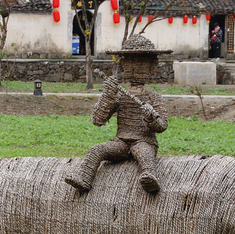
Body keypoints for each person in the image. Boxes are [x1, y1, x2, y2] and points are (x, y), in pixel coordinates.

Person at [65, 35, 170, 194]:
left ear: (152, 67)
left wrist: (152, 118)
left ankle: (149, 177)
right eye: (130, 63)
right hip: (121, 142)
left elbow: (162, 126)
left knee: (144, 154)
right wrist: (107, 95)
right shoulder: (120, 95)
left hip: (144, 140)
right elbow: (98, 120)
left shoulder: (154, 97)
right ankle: (84, 178)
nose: (136, 67)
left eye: (142, 63)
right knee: (96, 150)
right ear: (123, 66)